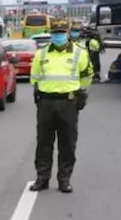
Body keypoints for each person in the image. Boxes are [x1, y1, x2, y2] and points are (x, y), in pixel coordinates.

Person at [30, 21, 93, 193]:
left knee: (67, 143)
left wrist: (78, 92)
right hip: (46, 102)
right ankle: (42, 179)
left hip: (68, 102)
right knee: (43, 143)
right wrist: (38, 93)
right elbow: (34, 77)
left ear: (68, 32)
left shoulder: (80, 53)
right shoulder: (41, 54)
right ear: (51, 34)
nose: (58, 36)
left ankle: (64, 180)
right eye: (55, 33)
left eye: (61, 32)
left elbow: (87, 76)